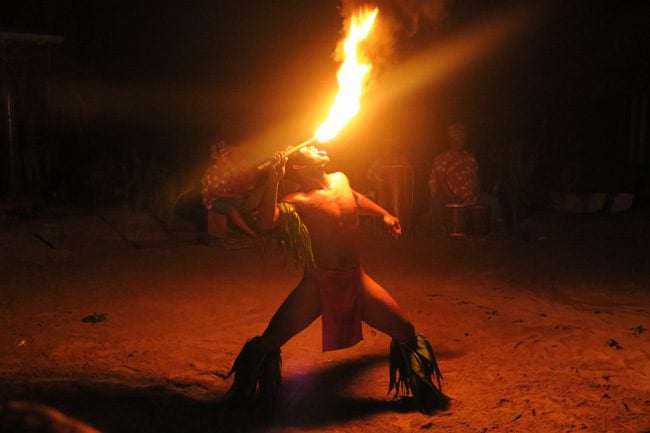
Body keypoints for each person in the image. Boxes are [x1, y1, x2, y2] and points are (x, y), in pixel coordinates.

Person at [222, 145, 449, 414]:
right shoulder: (298, 200)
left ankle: (424, 394)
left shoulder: (341, 178)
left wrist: (382, 214)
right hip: (317, 285)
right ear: (298, 166)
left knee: (405, 331)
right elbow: (267, 224)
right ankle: (243, 396)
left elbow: (354, 198)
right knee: (270, 341)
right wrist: (273, 180)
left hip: (356, 279)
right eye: (309, 148)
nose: (318, 147)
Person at [201, 140, 259, 238]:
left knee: (242, 200)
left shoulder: (228, 167)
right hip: (211, 200)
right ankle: (250, 232)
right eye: (225, 156)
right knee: (231, 209)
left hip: (224, 195)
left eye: (228, 155)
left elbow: (236, 178)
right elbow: (213, 193)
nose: (228, 158)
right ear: (217, 157)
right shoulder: (212, 172)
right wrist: (232, 195)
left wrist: (240, 186)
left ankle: (234, 226)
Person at [428, 123, 479, 230]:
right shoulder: (442, 158)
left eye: (460, 138)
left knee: (492, 202)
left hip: (470, 198)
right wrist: (453, 196)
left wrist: (474, 194)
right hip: (449, 198)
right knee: (437, 202)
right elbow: (441, 181)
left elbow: (476, 179)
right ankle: (441, 228)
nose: (457, 141)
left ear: (464, 140)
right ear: (449, 140)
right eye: (454, 139)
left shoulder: (470, 158)